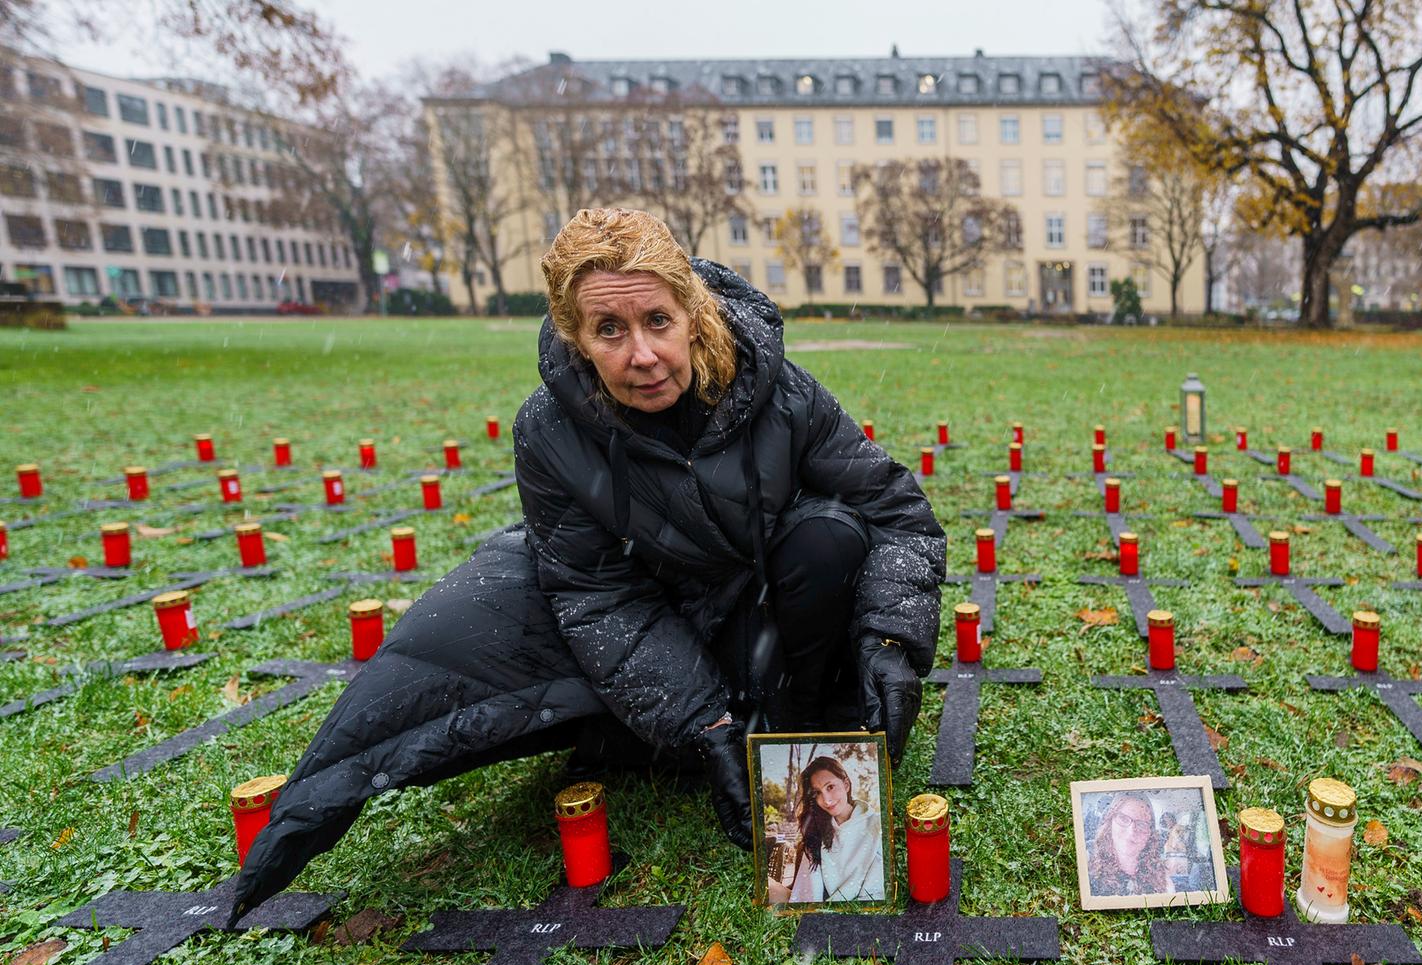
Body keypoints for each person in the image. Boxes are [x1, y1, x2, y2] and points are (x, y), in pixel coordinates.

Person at [227, 208, 945, 917]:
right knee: (490, 632)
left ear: (691, 312)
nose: (642, 356)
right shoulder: (548, 432)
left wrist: (889, 643)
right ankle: (710, 725)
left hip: (779, 618)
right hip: (668, 622)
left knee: (830, 537)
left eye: (658, 321)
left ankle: (796, 715)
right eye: (610, 330)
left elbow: (895, 511)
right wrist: (707, 727)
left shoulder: (780, 389)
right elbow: (596, 595)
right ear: (575, 336)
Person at [765, 755, 885, 904]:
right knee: (766, 885)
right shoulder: (816, 830)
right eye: (817, 793)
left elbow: (874, 894)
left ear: (846, 784)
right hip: (816, 904)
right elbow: (806, 892)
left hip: (853, 910)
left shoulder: (877, 825)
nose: (827, 800)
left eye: (830, 787)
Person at [1086, 795, 1171, 897]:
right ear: (1110, 823)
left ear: (1150, 834)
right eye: (1123, 819)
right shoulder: (1087, 871)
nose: (1131, 831)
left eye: (1141, 824)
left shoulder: (1164, 883)